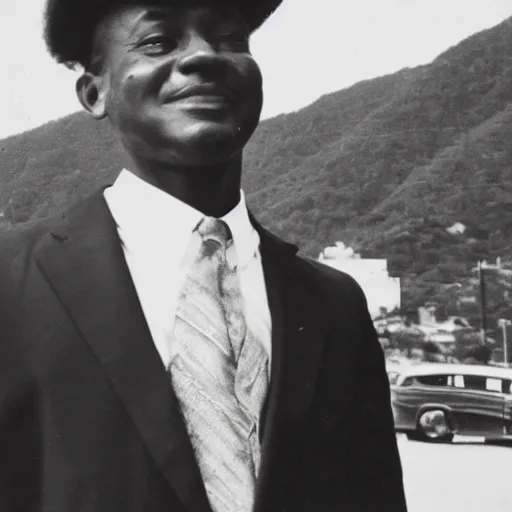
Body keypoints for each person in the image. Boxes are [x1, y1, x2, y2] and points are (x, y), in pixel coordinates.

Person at [0, 0, 407, 511]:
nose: (204, 56)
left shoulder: (335, 304)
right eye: (157, 41)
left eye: (230, 39)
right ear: (94, 92)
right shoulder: (11, 282)